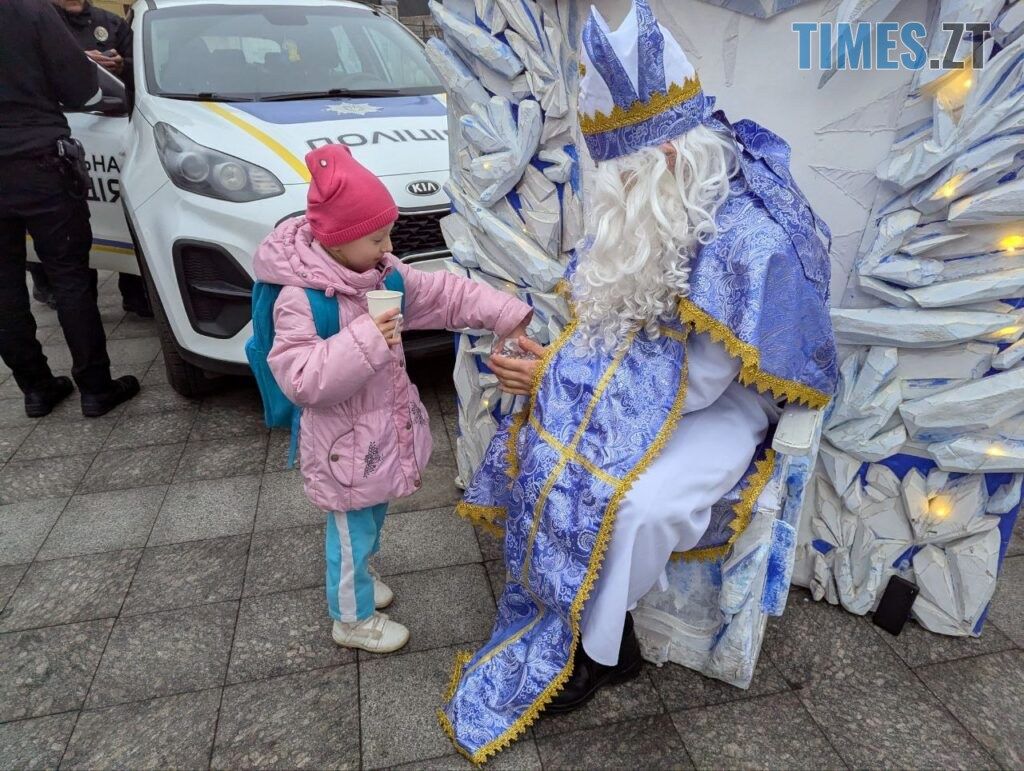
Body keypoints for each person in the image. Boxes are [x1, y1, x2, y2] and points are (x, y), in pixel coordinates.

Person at [440, 0, 838, 762]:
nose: (608, 192)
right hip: (644, 374)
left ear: (663, 160)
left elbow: (697, 382)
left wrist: (559, 373)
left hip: (731, 397)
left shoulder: (747, 241)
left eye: (618, 174)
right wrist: (561, 363)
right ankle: (582, 621)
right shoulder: (661, 205)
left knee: (639, 504)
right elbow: (616, 306)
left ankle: (596, 648)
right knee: (555, 448)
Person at [254, 144, 533, 654]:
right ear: (337, 242)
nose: (388, 247)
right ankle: (351, 618)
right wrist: (367, 338)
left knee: (370, 521)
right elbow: (301, 378)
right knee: (348, 533)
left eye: (388, 235)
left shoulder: (383, 275)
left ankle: (359, 578)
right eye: (377, 238)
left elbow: (446, 296)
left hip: (376, 438)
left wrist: (505, 313)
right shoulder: (303, 298)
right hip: (341, 448)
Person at [0, 0, 141, 418]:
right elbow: (83, 90)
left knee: (4, 288)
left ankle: (37, 389)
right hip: (37, 162)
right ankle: (96, 388)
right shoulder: (30, 11)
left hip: (27, 161)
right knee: (70, 277)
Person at [28, 0, 151, 317]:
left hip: (108, 129)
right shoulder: (37, 21)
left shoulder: (111, 23)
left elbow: (139, 74)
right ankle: (54, 288)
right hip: (56, 139)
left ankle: (135, 292)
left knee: (117, 214)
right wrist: (77, 62)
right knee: (65, 232)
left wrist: (120, 65)